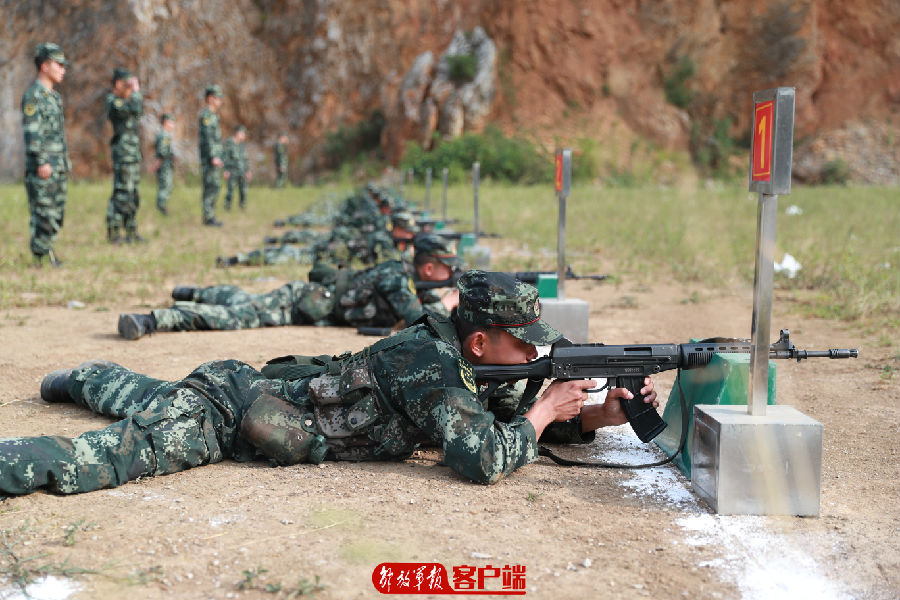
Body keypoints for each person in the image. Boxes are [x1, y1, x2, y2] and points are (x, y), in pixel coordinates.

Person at [0, 270, 657, 495]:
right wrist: (544, 412)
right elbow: (484, 455)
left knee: (147, 395)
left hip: (256, 396)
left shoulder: (461, 359)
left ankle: (88, 376)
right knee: (104, 459)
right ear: (480, 342)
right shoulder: (431, 366)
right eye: (523, 346)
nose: (531, 356)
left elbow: (500, 415)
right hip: (231, 412)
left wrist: (598, 416)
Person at [116, 233, 461, 339]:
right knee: (236, 317)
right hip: (298, 303)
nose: (451, 272)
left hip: (310, 305)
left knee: (244, 301)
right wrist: (449, 303)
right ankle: (154, 319)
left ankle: (196, 292)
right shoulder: (396, 278)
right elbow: (419, 321)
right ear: (429, 266)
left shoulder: (410, 279)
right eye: (448, 267)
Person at [21, 42, 71, 267]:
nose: (63, 70)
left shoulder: (54, 97)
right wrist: (41, 161)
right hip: (43, 165)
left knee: (56, 212)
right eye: (58, 65)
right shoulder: (33, 96)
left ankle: (47, 250)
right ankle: (41, 257)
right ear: (44, 66)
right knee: (43, 212)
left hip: (58, 164)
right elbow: (32, 133)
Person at [105, 67, 144, 243]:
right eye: (127, 85)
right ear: (118, 84)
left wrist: (133, 93)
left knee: (133, 194)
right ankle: (114, 231)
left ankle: (131, 230)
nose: (130, 89)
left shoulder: (127, 101)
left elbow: (138, 110)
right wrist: (135, 91)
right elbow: (134, 108)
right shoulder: (113, 101)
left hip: (133, 155)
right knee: (121, 192)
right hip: (122, 154)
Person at [198, 84, 224, 227]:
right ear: (210, 98)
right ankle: (208, 217)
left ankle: (211, 215)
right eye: (217, 97)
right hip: (209, 159)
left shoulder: (213, 116)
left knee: (215, 185)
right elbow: (208, 138)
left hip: (214, 157)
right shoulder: (207, 116)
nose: (220, 100)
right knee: (210, 186)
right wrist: (213, 156)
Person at [223, 125, 251, 210]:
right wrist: (226, 170)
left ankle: (242, 206)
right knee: (230, 190)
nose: (244, 136)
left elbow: (245, 159)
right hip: (232, 171)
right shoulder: (229, 143)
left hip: (242, 171)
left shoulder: (241, 145)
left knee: (243, 190)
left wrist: (248, 171)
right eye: (243, 134)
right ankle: (227, 206)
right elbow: (225, 157)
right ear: (237, 133)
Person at [152, 113, 175, 216]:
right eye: (171, 122)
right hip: (164, 165)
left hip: (166, 164)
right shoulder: (164, 135)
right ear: (166, 123)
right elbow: (161, 153)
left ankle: (161, 205)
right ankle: (161, 206)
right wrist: (156, 164)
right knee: (165, 185)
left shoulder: (165, 135)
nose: (173, 125)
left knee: (167, 185)